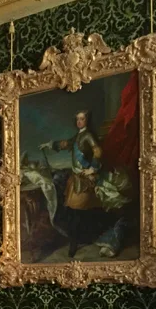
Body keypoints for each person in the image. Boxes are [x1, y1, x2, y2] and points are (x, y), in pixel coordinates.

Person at [40, 110, 104, 258]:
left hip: (85, 179)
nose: (79, 122)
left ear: (87, 120)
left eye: (82, 119)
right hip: (76, 179)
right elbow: (66, 144)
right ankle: (76, 241)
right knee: (74, 213)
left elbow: (98, 151)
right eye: (77, 119)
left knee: (79, 213)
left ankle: (76, 243)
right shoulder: (78, 135)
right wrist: (50, 145)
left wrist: (92, 168)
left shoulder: (88, 135)